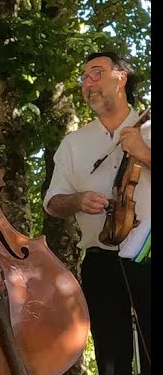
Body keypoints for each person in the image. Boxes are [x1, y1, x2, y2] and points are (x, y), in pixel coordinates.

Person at [44, 51, 151, 375]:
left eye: (96, 73)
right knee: (110, 358)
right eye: (84, 78)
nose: (88, 83)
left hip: (150, 250)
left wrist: (145, 153)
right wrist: (76, 201)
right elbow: (52, 202)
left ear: (122, 77)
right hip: (101, 258)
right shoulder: (74, 143)